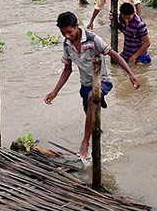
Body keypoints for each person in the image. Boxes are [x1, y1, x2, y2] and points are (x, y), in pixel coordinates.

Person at [45, 12, 140, 158]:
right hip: (86, 84)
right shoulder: (67, 45)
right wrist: (55, 91)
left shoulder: (93, 39)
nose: (67, 36)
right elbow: (67, 69)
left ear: (76, 26)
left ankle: (85, 143)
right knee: (90, 112)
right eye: (63, 33)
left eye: (69, 32)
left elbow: (113, 54)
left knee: (91, 98)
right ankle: (96, 130)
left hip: (103, 81)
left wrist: (130, 74)